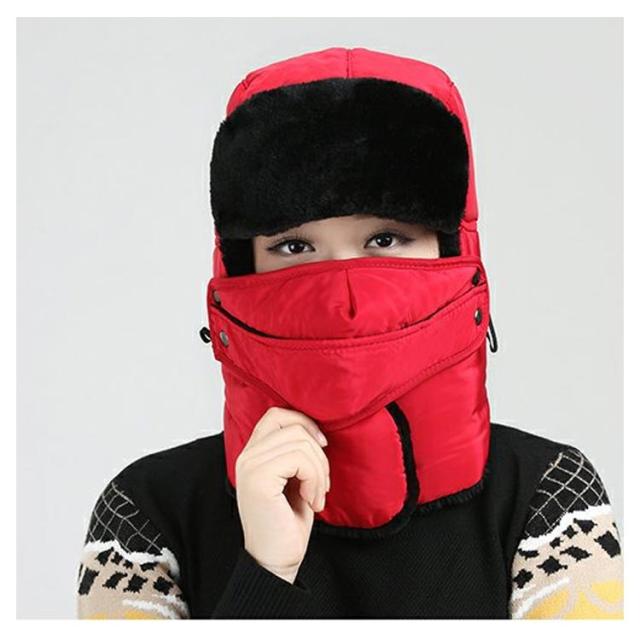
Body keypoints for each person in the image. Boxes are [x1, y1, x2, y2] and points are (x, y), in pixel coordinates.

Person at [76, 46, 623, 619]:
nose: (343, 296)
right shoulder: (143, 514)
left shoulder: (552, 499)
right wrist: (265, 571)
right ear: (239, 270)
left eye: (385, 239)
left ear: (451, 254)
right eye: (294, 246)